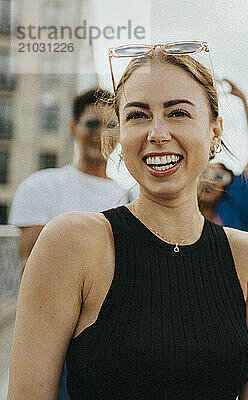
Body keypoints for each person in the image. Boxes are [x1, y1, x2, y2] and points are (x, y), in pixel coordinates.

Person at [8, 42, 248, 399]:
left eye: (178, 112)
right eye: (137, 115)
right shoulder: (72, 242)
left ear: (214, 130)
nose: (157, 133)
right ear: (119, 133)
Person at [8, 87, 132, 400]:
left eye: (111, 125)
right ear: (73, 128)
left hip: (119, 342)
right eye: (92, 124)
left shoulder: (131, 197)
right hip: (58, 341)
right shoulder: (41, 186)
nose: (101, 133)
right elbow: (30, 267)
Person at [198, 78, 248, 232]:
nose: (209, 181)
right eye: (204, 174)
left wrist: (244, 101)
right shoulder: (182, 213)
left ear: (227, 188)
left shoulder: (236, 206)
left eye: (218, 177)